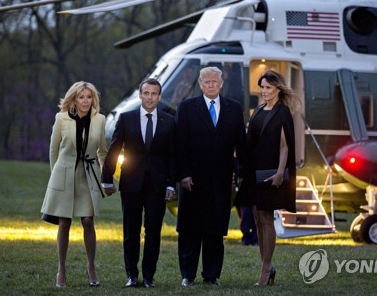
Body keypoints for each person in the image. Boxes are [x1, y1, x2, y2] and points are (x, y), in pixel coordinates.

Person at [101, 78, 176, 288]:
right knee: (130, 231)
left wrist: (171, 184)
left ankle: (149, 277)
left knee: (153, 231)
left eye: (154, 94)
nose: (150, 97)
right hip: (131, 184)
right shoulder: (126, 119)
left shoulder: (169, 121)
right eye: (146, 93)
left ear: (159, 97)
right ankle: (132, 276)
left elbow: (172, 156)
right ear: (140, 95)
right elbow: (114, 150)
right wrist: (107, 179)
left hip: (158, 185)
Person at [176, 66, 247, 287]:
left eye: (215, 81)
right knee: (190, 229)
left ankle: (212, 275)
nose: (211, 85)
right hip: (193, 181)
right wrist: (184, 174)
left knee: (215, 230)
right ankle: (188, 274)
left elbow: (241, 146)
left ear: (221, 83)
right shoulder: (187, 108)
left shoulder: (234, 109)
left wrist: (241, 173)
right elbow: (180, 145)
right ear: (200, 84)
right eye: (207, 81)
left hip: (221, 180)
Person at [40, 81, 108, 288]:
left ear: (93, 99)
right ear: (74, 99)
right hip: (64, 173)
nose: (85, 101)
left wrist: (105, 177)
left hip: (88, 175)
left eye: (89, 97)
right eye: (81, 97)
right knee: (64, 222)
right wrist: (56, 176)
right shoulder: (61, 118)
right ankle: (61, 269)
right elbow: (53, 150)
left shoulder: (100, 120)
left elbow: (102, 152)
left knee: (88, 220)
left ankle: (91, 266)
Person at [234, 69, 299, 286]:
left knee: (266, 217)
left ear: (278, 89)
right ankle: (267, 266)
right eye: (262, 87)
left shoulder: (282, 112)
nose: (263, 91)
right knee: (257, 216)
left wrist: (280, 172)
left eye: (268, 88)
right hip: (254, 171)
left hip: (271, 173)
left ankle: (265, 268)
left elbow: (284, 146)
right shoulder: (259, 110)